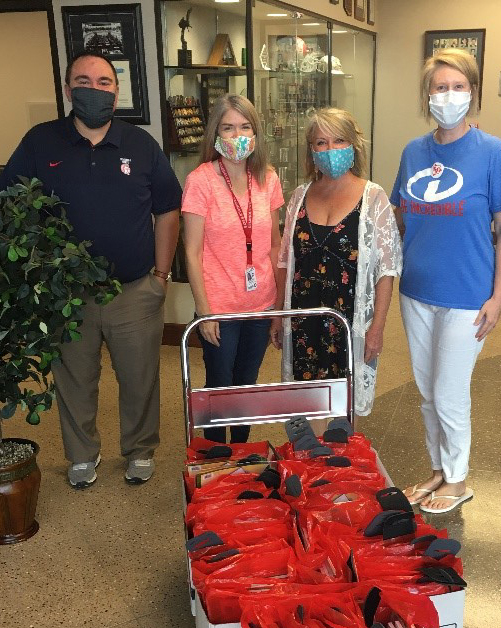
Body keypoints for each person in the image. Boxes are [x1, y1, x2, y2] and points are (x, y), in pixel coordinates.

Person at [0, 53, 182, 488]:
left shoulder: (140, 145)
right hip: (67, 295)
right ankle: (82, 455)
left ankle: (139, 450)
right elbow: (13, 206)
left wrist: (160, 275)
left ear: (116, 92)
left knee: (140, 380)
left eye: (104, 82)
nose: (94, 89)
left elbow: (168, 209)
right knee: (75, 380)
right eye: (83, 80)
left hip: (135, 289)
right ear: (68, 90)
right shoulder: (40, 142)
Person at [391, 48, 501, 514]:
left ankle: (459, 476)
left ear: (474, 92)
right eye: (440, 87)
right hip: (417, 292)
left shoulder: (493, 153)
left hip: (468, 295)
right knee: (427, 392)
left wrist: (498, 298)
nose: (449, 95)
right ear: (428, 96)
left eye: (458, 86)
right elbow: (401, 217)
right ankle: (439, 470)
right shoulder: (412, 152)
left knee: (449, 391)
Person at [276, 107, 402, 417]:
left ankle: (336, 465)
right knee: (305, 404)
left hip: (347, 321)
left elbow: (386, 271)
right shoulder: (299, 197)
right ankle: (311, 464)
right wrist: (278, 315)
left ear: (354, 145)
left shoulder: (374, 198)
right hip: (304, 318)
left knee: (342, 410)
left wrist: (377, 328)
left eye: (339, 140)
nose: (330, 150)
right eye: (321, 143)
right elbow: (285, 261)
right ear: (311, 149)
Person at [182, 94, 284, 443]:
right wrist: (204, 312)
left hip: (260, 303)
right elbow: (191, 252)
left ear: (256, 134)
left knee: (246, 385)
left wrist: (279, 310)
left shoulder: (268, 178)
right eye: (227, 127)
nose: (236, 135)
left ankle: (239, 453)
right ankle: (214, 457)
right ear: (215, 134)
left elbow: (274, 245)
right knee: (219, 385)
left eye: (244, 127)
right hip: (219, 307)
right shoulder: (201, 180)